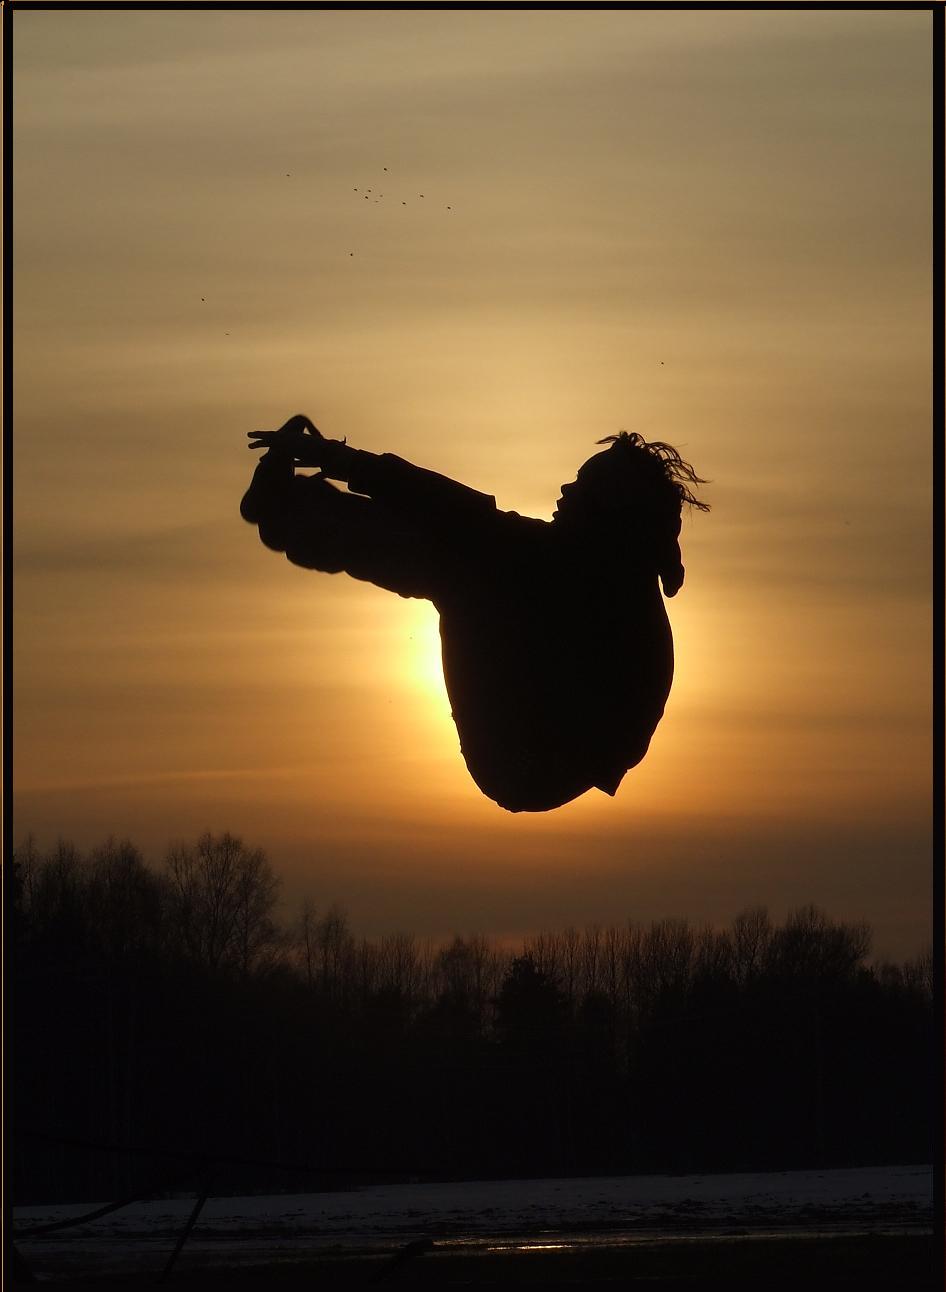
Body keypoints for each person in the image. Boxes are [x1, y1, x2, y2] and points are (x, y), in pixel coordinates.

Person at [241, 414, 709, 812]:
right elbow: (478, 524)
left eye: (581, 485)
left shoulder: (589, 572)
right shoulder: (612, 567)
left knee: (459, 558)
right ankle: (301, 512)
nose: (566, 488)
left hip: (527, 756)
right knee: (469, 551)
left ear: (607, 507)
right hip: (547, 746)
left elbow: (468, 519)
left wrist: (345, 461)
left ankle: (293, 514)